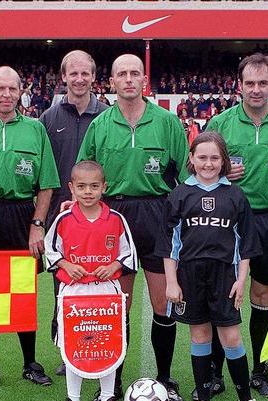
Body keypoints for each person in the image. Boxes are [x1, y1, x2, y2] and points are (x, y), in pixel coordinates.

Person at [77, 54, 189, 401]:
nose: (128, 79)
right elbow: (84, 173)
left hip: (158, 213)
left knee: (163, 302)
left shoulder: (167, 123)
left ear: (144, 80)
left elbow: (185, 177)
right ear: (111, 82)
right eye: (122, 74)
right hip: (115, 216)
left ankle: (165, 379)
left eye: (134, 73)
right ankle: (110, 384)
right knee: (117, 304)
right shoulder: (100, 125)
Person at [206, 53, 268, 399]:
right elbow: (196, 169)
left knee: (262, 296)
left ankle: (260, 370)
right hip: (227, 219)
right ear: (239, 85)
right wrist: (221, 172)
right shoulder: (220, 123)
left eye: (263, 83)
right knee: (223, 295)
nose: (256, 89)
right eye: (249, 83)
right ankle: (215, 372)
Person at [0, 66, 60, 391]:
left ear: (21, 91)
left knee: (22, 290)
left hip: (22, 214)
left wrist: (37, 224)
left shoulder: (35, 129)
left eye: (12, 89)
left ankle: (30, 363)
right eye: (0, 88)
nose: (6, 95)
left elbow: (47, 184)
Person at [157, 132, 262, 401]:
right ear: (191, 158)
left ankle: (245, 397)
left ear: (223, 160)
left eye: (215, 158)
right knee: (200, 334)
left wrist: (241, 280)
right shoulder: (179, 194)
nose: (208, 163)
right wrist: (171, 282)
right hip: (189, 275)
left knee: (231, 337)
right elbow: (170, 244)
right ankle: (203, 395)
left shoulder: (235, 195)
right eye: (202, 157)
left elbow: (245, 244)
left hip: (225, 275)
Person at [40, 50, 110, 376]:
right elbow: (42, 170)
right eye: (73, 73)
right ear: (64, 77)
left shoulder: (107, 116)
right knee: (65, 286)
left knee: (99, 284)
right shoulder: (49, 118)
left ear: (94, 77)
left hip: (99, 218)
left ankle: (100, 344)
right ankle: (67, 349)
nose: (79, 79)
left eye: (85, 73)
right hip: (62, 217)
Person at [45, 160, 137, 401]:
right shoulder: (63, 219)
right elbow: (50, 249)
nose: (88, 192)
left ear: (104, 187)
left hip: (107, 291)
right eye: (82, 186)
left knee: (106, 343)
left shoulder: (116, 219)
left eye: (94, 186)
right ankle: (72, 396)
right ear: (71, 188)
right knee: (75, 344)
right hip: (74, 292)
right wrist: (66, 265)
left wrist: (114, 265)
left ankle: (107, 394)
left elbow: (129, 252)